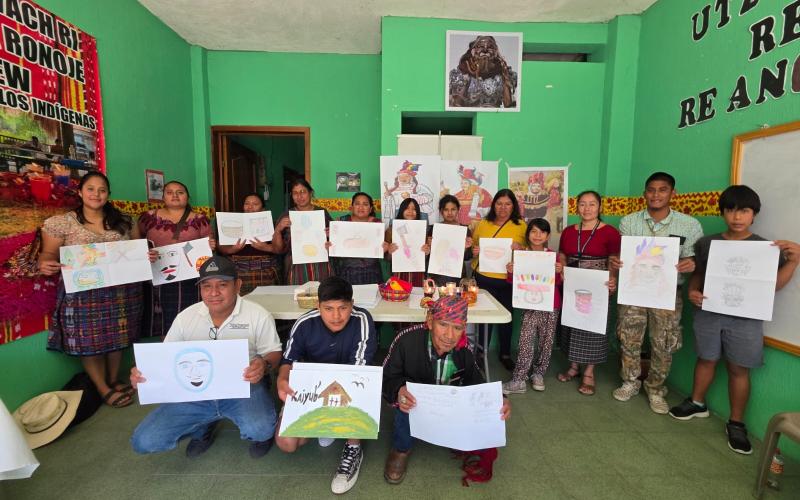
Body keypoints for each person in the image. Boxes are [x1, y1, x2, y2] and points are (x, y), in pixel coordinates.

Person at [668, 185, 799, 454]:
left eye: (744, 211)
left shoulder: (765, 248)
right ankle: (697, 402)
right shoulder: (708, 243)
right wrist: (692, 291)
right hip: (709, 313)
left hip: (746, 320)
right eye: (730, 210)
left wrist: (793, 262)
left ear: (754, 215)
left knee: (739, 369)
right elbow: (698, 275)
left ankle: (736, 422)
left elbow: (773, 285)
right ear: (722, 213)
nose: (736, 217)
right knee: (705, 359)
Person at [130, 256, 282, 459]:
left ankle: (257, 434)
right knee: (144, 441)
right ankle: (202, 429)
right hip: (193, 393)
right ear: (200, 289)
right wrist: (142, 374)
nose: (214, 293)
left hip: (243, 387)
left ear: (238, 285)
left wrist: (263, 364)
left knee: (260, 429)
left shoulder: (258, 315)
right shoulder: (185, 317)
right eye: (206, 286)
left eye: (222, 285)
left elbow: (274, 352)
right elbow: (165, 358)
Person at [38, 172, 144, 408]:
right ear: (80, 192)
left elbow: (139, 249)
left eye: (102, 190)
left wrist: (148, 255)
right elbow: (48, 253)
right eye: (90, 189)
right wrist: (45, 262)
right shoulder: (62, 223)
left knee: (119, 336)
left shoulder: (125, 221)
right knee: (89, 341)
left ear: (108, 194)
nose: (96, 194)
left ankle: (114, 379)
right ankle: (102, 387)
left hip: (121, 290)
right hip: (83, 293)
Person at [382, 295, 511, 485]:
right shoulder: (406, 341)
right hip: (413, 404)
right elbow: (387, 377)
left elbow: (476, 381)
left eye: (458, 327)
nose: (450, 335)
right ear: (430, 321)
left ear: (464, 327)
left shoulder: (464, 350)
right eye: (443, 324)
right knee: (404, 414)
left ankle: (445, 432)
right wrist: (399, 390)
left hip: (447, 406)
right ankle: (401, 449)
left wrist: (498, 399)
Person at [609, 172, 704, 414]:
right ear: (644, 194)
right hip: (634, 291)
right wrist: (617, 262)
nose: (656, 195)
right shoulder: (629, 222)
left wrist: (691, 264)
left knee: (664, 342)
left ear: (673, 193)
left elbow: (694, 260)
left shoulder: (689, 225)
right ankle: (630, 382)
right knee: (629, 338)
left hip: (668, 293)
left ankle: (655, 388)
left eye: (662, 190)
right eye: (651, 190)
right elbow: (622, 255)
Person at [275, 276, 377, 494]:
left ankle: (353, 447)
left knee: (360, 385)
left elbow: (358, 373)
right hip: (313, 387)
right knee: (288, 444)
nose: (336, 316)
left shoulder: (362, 320)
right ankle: (323, 420)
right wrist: (282, 380)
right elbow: (288, 360)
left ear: (352, 304)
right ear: (317, 305)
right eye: (328, 308)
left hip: (347, 386)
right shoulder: (304, 323)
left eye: (343, 308)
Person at [557, 190, 620, 396]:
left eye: (592, 204)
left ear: (600, 207)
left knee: (593, 328)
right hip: (572, 285)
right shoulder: (568, 231)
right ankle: (574, 366)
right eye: (583, 204)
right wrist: (563, 270)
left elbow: (614, 259)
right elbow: (563, 255)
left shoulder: (610, 232)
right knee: (573, 324)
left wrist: (613, 280)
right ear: (577, 207)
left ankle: (589, 372)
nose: (587, 208)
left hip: (598, 287)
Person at [138, 180, 212, 337]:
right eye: (169, 192)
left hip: (189, 279)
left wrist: (211, 245)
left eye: (180, 192)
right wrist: (143, 253)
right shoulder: (148, 217)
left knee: (188, 320)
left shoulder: (200, 219)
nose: (175, 195)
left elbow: (209, 246)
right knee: (159, 322)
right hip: (157, 278)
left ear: (187, 197)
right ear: (163, 197)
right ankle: (163, 354)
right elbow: (136, 243)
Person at [502, 218, 563, 394]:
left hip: (551, 304)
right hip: (529, 303)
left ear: (548, 235)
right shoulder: (522, 254)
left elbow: (557, 282)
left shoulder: (553, 256)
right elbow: (513, 282)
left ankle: (539, 373)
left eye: (542, 232)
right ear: (528, 234)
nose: (537, 235)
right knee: (525, 340)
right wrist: (511, 271)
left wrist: (559, 272)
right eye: (534, 231)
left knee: (546, 340)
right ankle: (519, 378)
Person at [471, 189, 527, 371]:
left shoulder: (521, 226)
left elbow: (530, 250)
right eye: (499, 203)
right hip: (484, 278)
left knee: (506, 318)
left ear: (513, 206)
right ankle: (480, 353)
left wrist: (521, 249)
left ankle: (505, 353)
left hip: (508, 280)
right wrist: (475, 251)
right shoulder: (483, 224)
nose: (503, 208)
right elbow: (473, 245)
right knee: (483, 318)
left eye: (508, 204)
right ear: (493, 205)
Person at [216, 193, 283, 294]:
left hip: (265, 272)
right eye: (247, 203)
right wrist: (232, 250)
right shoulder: (232, 222)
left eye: (255, 204)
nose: (250, 207)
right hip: (238, 271)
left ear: (263, 209)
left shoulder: (271, 224)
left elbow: (279, 249)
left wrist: (265, 247)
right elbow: (220, 246)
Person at [272, 179, 333, 285]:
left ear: (310, 193)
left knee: (323, 294)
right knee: (297, 296)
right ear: (291, 196)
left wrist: (331, 236)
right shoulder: (286, 216)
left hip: (321, 264)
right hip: (296, 267)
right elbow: (277, 249)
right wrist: (278, 229)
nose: (299, 196)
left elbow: (335, 241)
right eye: (295, 193)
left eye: (303, 192)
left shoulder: (322, 213)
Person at [448, 35, 518, 109]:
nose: (485, 50)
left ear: (495, 52)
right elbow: (456, 106)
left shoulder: (504, 73)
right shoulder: (463, 73)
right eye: (480, 47)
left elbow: (509, 106)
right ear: (473, 51)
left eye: (490, 47)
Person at [331, 192, 385, 285]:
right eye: (357, 204)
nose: (361, 207)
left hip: (372, 271)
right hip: (347, 272)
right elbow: (335, 249)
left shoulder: (377, 224)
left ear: (370, 208)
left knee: (373, 298)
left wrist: (385, 247)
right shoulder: (341, 222)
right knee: (348, 298)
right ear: (352, 207)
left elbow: (379, 247)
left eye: (365, 204)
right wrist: (331, 244)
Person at [427, 194, 473, 287]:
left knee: (457, 300)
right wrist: (430, 246)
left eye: (453, 209)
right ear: (441, 211)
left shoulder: (464, 230)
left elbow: (468, 257)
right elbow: (428, 256)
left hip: (458, 275)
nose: (450, 213)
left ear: (458, 210)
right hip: (437, 275)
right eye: (446, 210)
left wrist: (466, 248)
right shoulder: (434, 229)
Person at [386, 198, 431, 288]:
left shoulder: (422, 230)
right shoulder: (391, 230)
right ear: (402, 210)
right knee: (399, 297)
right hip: (398, 272)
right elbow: (386, 258)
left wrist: (426, 252)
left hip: (418, 272)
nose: (410, 211)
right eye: (407, 208)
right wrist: (390, 252)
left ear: (417, 212)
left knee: (417, 298)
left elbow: (424, 256)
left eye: (414, 209)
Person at [382, 160, 436, 227]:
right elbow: (390, 201)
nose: (403, 178)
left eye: (406, 176)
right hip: (398, 213)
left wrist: (411, 197)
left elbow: (429, 196)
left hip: (420, 213)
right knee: (396, 231)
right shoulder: (394, 189)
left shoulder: (418, 187)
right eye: (401, 177)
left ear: (411, 177)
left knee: (422, 231)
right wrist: (388, 196)